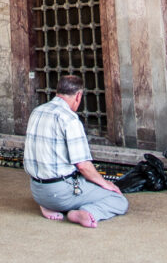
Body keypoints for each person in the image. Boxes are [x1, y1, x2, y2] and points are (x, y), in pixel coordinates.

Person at [23, 75, 128, 228]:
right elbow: (83, 166)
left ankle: (49, 205)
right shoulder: (69, 119)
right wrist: (105, 184)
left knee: (74, 183)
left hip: (37, 191)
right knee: (118, 200)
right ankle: (84, 212)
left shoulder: (37, 112)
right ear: (78, 96)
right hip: (60, 192)